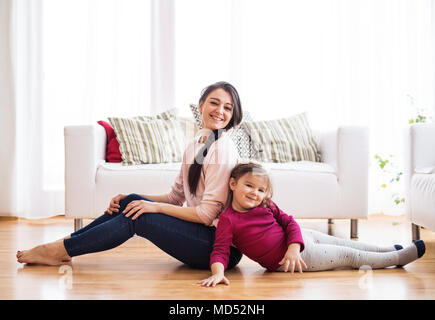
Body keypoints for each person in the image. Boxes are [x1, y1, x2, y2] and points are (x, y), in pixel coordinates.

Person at [17, 81, 244, 269]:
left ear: (233, 115)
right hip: (203, 234)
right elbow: (176, 198)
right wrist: (135, 198)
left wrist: (153, 207)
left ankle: (59, 250)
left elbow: (207, 215)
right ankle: (65, 246)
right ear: (201, 105)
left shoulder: (222, 149)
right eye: (214, 103)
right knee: (131, 200)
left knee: (141, 216)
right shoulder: (196, 144)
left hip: (220, 249)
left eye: (227, 108)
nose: (220, 111)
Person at [198, 162, 426, 287]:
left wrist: (293, 245)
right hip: (296, 258)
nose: (254, 193)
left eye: (260, 189)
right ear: (232, 183)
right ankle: (399, 258)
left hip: (299, 241)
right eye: (249, 186)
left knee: (349, 244)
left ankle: (390, 249)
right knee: (350, 257)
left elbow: (289, 222)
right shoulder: (229, 219)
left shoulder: (266, 204)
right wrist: (217, 273)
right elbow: (220, 251)